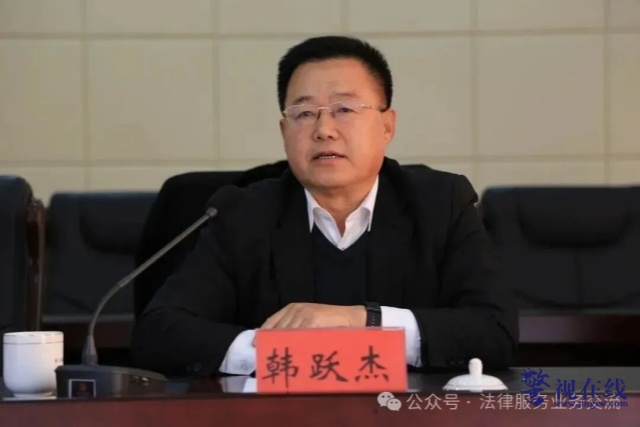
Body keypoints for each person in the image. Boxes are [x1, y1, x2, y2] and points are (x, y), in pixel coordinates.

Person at [130, 35, 518, 377]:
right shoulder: (243, 213)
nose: (324, 130)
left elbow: (494, 331)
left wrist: (362, 320)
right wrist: (281, 352)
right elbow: (160, 332)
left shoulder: (440, 204)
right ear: (284, 133)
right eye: (303, 114)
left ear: (387, 126)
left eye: (344, 109)